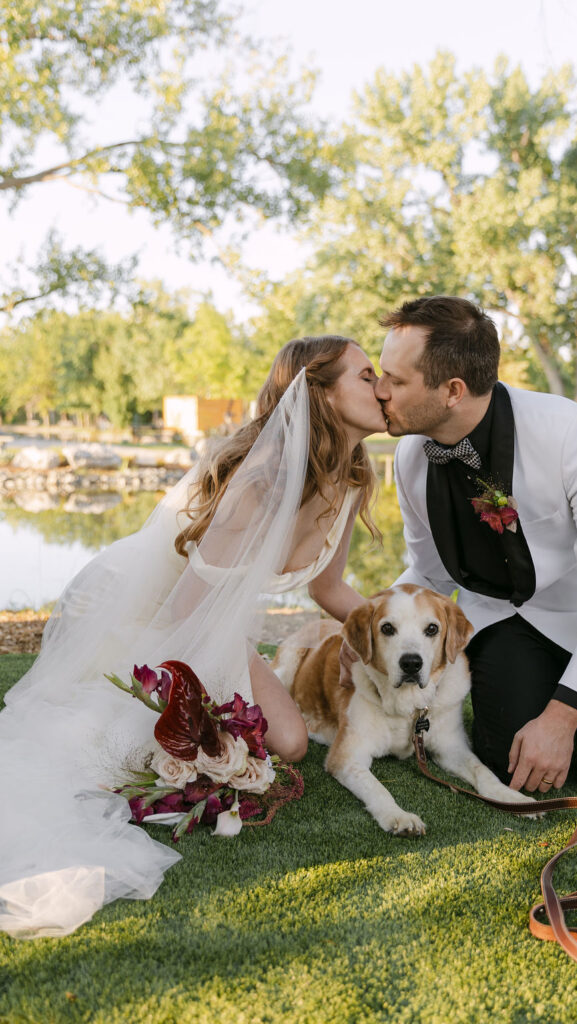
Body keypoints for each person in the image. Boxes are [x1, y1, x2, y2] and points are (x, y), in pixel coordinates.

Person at [0, 335, 380, 940]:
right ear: (322, 395)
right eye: (367, 375)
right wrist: (203, 721)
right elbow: (187, 609)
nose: (383, 386)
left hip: (213, 618)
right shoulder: (257, 482)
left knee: (286, 742)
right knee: (127, 757)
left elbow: (329, 589)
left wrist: (394, 635)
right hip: (150, 612)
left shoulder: (356, 476)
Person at [370, 295, 577, 800]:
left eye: (395, 380)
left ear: (452, 390)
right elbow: (429, 573)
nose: (379, 391)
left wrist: (561, 717)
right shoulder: (408, 456)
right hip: (503, 620)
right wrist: (371, 626)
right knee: (510, 767)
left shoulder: (571, 434)